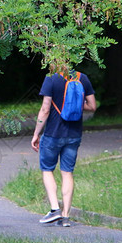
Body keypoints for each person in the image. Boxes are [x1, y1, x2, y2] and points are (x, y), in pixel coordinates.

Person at [31, 70, 96, 227]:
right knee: (67, 173)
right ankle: (66, 216)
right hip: (74, 134)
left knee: (47, 169)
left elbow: (45, 109)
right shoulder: (82, 77)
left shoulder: (51, 78)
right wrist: (76, 104)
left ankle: (55, 210)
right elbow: (92, 106)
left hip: (53, 134)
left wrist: (36, 133)